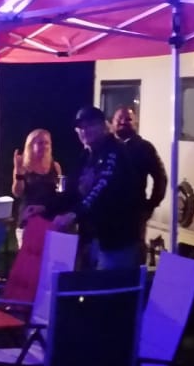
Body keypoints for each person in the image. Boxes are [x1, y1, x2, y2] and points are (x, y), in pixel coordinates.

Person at [53, 105, 147, 270]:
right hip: (91, 237)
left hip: (116, 241)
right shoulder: (86, 156)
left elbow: (101, 188)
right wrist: (45, 207)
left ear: (103, 126)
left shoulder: (115, 151)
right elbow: (72, 190)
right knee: (86, 284)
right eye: (80, 127)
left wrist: (74, 214)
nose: (84, 130)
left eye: (90, 125)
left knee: (109, 286)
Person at [112, 105, 168, 220]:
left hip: (134, 215)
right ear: (112, 122)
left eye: (128, 119)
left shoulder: (145, 148)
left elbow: (160, 177)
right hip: (106, 215)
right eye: (119, 118)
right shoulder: (105, 146)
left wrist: (151, 205)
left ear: (136, 123)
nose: (123, 122)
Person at [11, 128, 62, 245]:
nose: (44, 146)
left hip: (50, 221)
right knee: (30, 256)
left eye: (47, 143)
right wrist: (18, 172)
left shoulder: (55, 166)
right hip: (29, 221)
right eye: (40, 143)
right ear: (30, 146)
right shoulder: (23, 166)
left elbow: (60, 195)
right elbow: (17, 192)